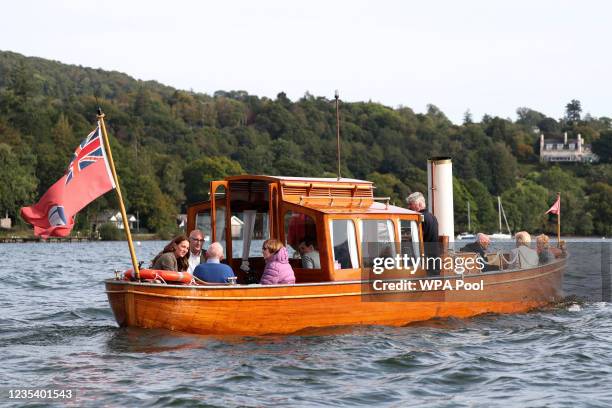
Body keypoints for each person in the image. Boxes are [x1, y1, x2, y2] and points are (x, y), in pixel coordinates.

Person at [406, 192, 440, 275]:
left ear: (419, 204)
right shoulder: (432, 217)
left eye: (411, 204)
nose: (409, 207)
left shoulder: (420, 218)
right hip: (434, 258)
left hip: (425, 260)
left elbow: (417, 238)